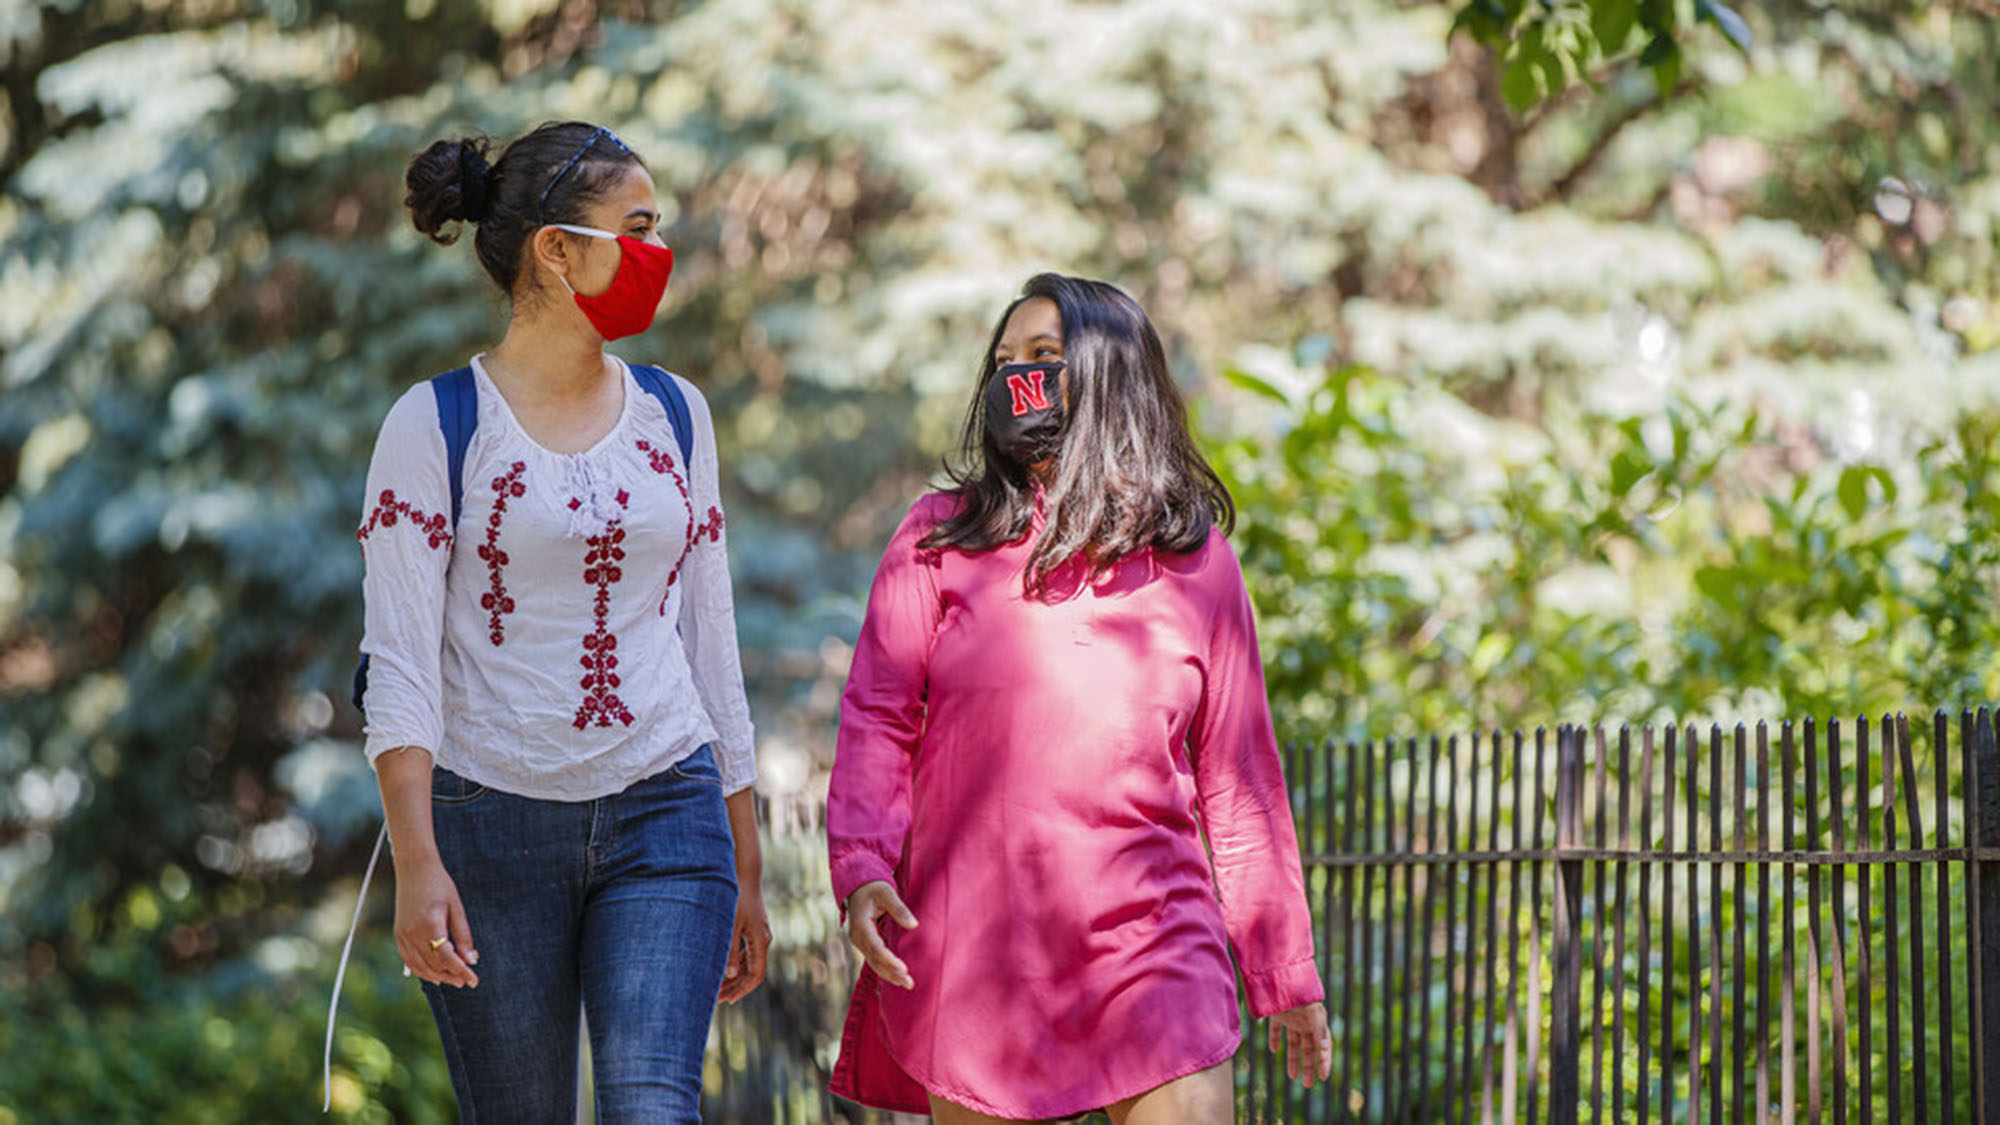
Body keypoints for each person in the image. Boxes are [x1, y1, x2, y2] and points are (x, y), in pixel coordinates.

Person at [826, 273, 1332, 1123]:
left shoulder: (1197, 561)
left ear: (1109, 376)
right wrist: (863, 867)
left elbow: (1240, 779)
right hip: (981, 958)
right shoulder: (937, 536)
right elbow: (878, 717)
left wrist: (1284, 968)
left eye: (1044, 357)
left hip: (1156, 953)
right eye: (1004, 359)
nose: (1015, 375)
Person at [355, 121, 768, 1123]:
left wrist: (746, 861)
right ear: (554, 247)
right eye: (634, 229)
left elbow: (710, 637)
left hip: (665, 808)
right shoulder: (434, 425)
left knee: (650, 1109)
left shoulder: (677, 415)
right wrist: (416, 865)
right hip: (487, 826)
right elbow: (399, 664)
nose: (655, 255)